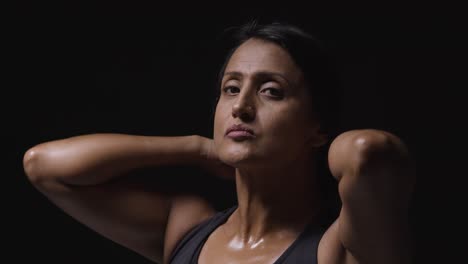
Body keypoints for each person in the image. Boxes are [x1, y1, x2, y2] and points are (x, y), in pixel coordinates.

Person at [22, 20, 416, 264]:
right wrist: (196, 147)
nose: (241, 107)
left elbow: (370, 152)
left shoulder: (339, 247)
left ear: (317, 127)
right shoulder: (186, 230)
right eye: (230, 89)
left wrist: (316, 143)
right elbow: (44, 166)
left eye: (271, 92)